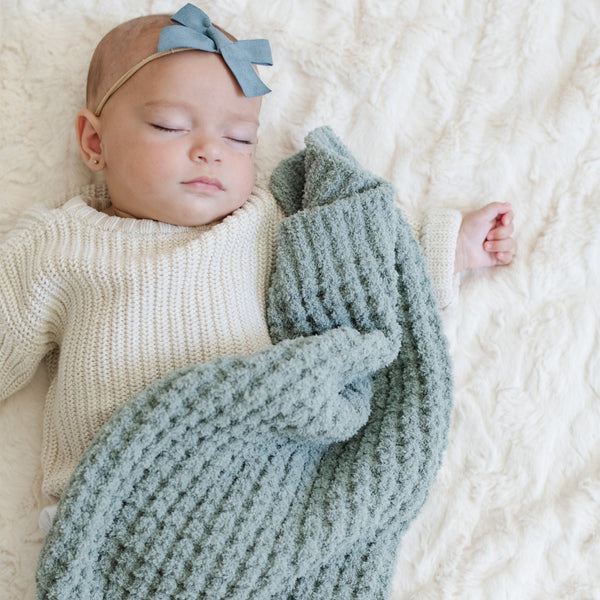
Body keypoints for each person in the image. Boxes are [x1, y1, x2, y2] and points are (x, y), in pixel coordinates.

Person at [0, 4, 515, 533]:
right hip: (114, 509)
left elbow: (353, 274)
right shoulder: (59, 244)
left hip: (251, 492)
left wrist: (445, 250)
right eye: (169, 126)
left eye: (239, 138)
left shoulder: (261, 222)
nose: (209, 151)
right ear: (94, 142)